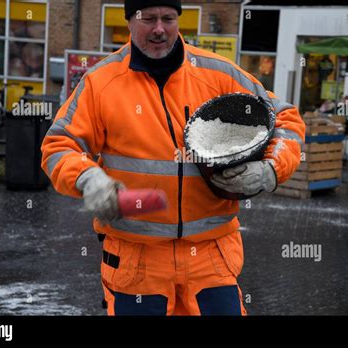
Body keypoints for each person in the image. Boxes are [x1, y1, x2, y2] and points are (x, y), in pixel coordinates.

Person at [41, 0, 305, 316]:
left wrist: (272, 169)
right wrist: (87, 178)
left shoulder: (216, 73)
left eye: (168, 18)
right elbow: (58, 146)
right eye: (148, 18)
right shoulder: (101, 83)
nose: (159, 29)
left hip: (212, 259)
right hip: (137, 262)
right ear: (128, 21)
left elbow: (286, 118)